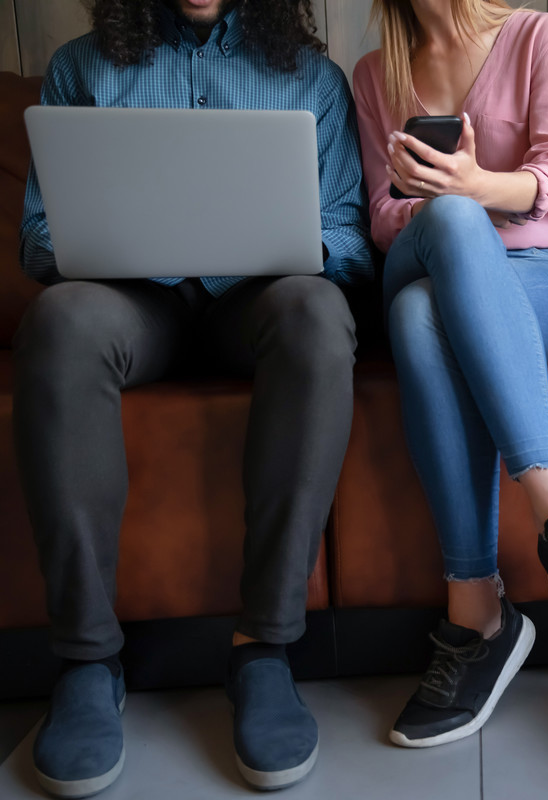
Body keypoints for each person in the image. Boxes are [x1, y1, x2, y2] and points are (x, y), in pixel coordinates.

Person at [15, 0, 372, 795]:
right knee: (60, 321)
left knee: (318, 312)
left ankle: (264, 650)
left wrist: (284, 241)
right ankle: (86, 660)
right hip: (133, 304)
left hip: (256, 305)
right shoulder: (82, 66)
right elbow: (38, 236)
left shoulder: (312, 77)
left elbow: (348, 236)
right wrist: (98, 241)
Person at [352, 0, 548, 748]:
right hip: (425, 250)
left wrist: (476, 183)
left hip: (540, 278)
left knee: (423, 321)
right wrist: (450, 201)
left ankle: (477, 616)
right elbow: (382, 218)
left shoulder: (536, 36)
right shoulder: (371, 75)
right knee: (447, 225)